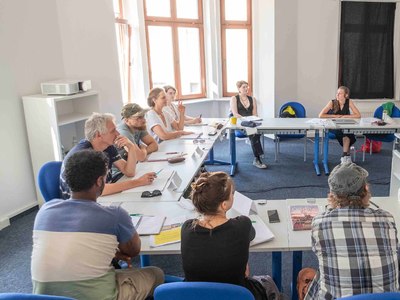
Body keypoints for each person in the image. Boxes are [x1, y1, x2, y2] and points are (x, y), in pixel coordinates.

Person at [32, 150, 164, 300]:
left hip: (45, 297)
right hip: (98, 297)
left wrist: (110, 250)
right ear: (100, 181)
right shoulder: (115, 214)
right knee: (155, 274)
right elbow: (133, 251)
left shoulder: (45, 211)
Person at [298, 163, 399, 300]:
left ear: (332, 194)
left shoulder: (319, 223)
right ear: (366, 188)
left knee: (307, 274)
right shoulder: (387, 219)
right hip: (388, 297)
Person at [181, 172, 279, 300]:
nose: (234, 196)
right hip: (237, 294)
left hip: (195, 296)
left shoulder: (187, 228)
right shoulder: (242, 225)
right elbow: (250, 235)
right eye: (232, 194)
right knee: (268, 282)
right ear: (224, 205)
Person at [60, 113, 156, 199]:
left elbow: (129, 172)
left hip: (101, 198)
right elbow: (100, 189)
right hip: (82, 204)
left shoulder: (107, 146)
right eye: (113, 131)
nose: (118, 134)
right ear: (99, 135)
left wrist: (131, 147)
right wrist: (138, 182)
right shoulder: (83, 155)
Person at [319, 86, 361, 163]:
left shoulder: (349, 102)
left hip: (345, 125)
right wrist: (334, 116)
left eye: (340, 93)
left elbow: (358, 115)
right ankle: (346, 156)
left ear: (346, 95)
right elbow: (321, 115)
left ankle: (345, 156)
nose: (337, 95)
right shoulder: (332, 102)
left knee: (348, 133)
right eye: (337, 93)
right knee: (346, 136)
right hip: (334, 126)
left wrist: (345, 116)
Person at [230, 80, 266, 169]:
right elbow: (235, 113)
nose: (246, 88)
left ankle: (257, 155)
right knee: (254, 133)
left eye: (247, 87)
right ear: (239, 88)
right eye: (244, 87)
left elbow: (255, 114)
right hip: (240, 122)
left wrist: (252, 119)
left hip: (251, 122)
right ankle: (258, 158)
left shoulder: (252, 99)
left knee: (254, 131)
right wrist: (245, 119)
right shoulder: (234, 98)